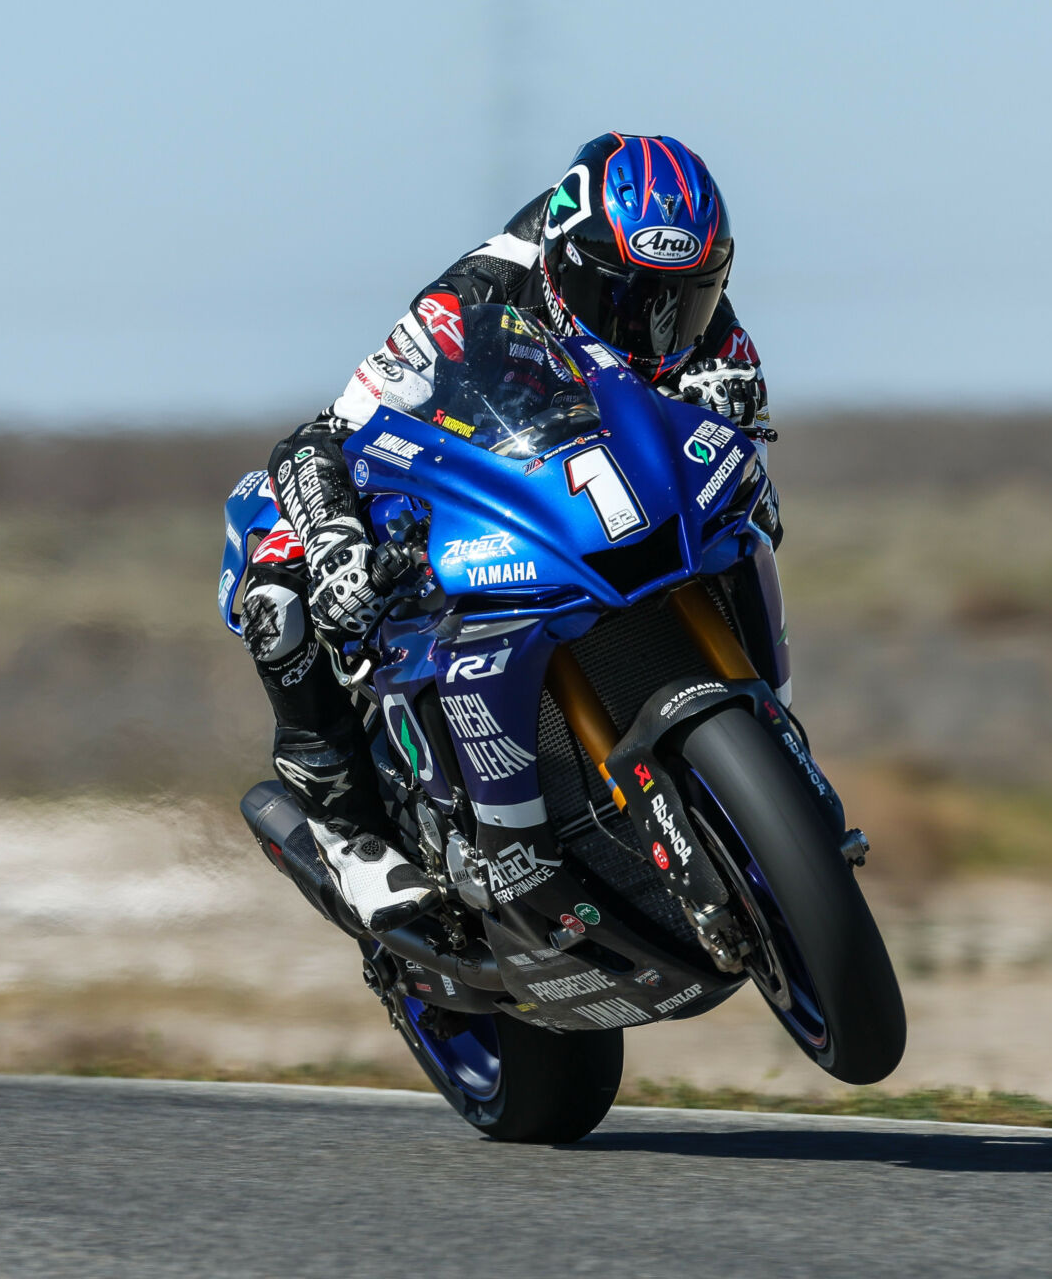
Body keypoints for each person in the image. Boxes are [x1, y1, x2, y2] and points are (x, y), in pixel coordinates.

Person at [238, 133, 771, 932]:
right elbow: (322, 439)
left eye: (681, 302)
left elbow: (746, 443)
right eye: (627, 302)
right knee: (278, 592)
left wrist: (736, 427)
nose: (654, 330)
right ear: (568, 264)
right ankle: (345, 830)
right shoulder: (469, 296)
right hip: (464, 478)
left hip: (605, 488)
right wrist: (339, 548)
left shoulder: (705, 314)